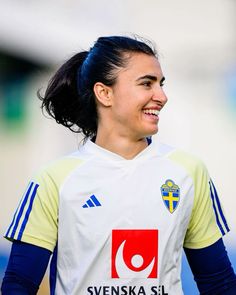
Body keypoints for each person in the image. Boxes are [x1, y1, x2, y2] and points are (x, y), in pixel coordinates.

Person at [1, 35, 236, 295]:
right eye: (147, 83)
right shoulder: (55, 179)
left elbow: (218, 283)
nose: (162, 96)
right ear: (104, 93)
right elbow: (18, 285)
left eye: (161, 84)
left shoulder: (188, 171)